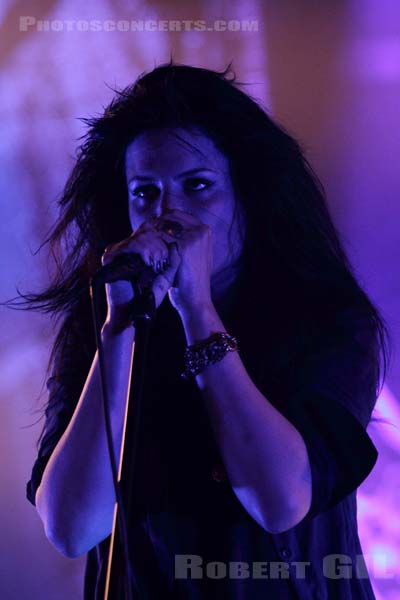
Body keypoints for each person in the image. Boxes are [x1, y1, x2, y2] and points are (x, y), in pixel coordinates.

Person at [21, 61, 390, 598]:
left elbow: (280, 500)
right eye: (144, 193)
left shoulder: (327, 320)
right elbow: (73, 527)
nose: (168, 213)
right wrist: (118, 331)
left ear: (248, 196)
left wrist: (198, 312)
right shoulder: (104, 323)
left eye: (197, 186)